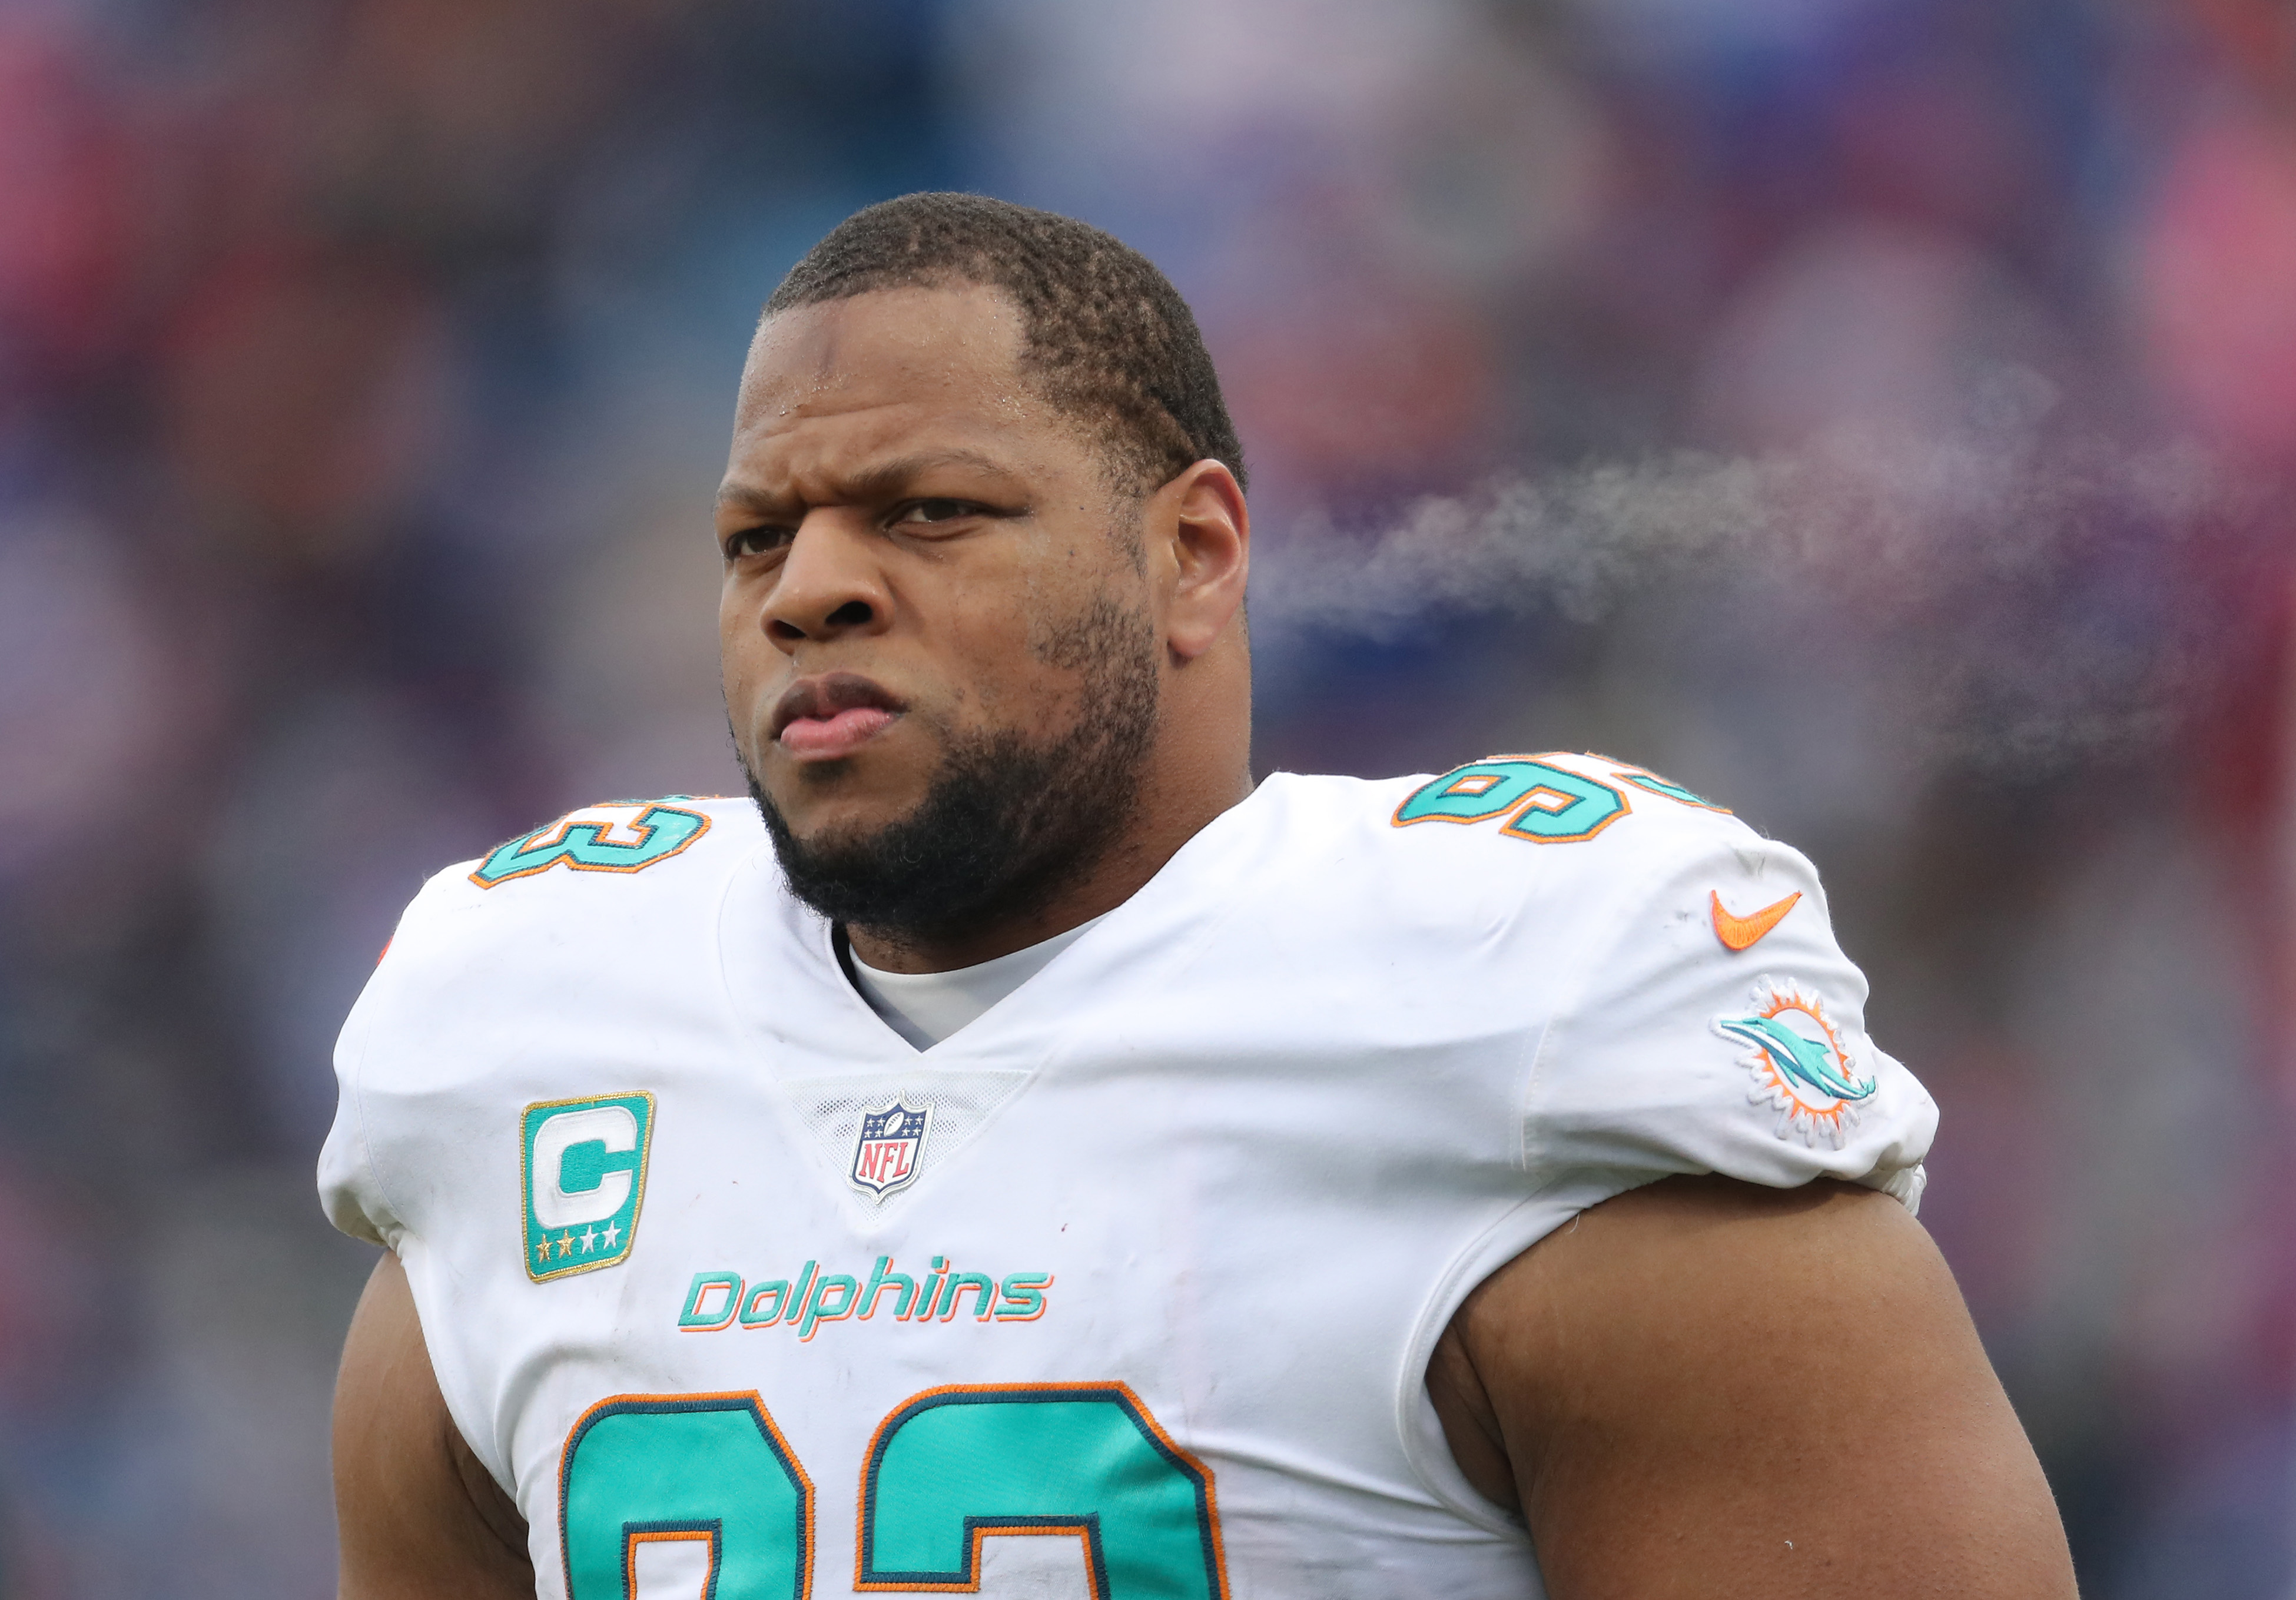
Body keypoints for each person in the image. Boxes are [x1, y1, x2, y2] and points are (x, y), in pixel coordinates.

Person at [322, 193, 2076, 1599]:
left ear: (1194, 552)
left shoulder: (1518, 1006)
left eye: (925, 512)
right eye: (755, 538)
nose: (811, 591)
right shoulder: (532, 1039)